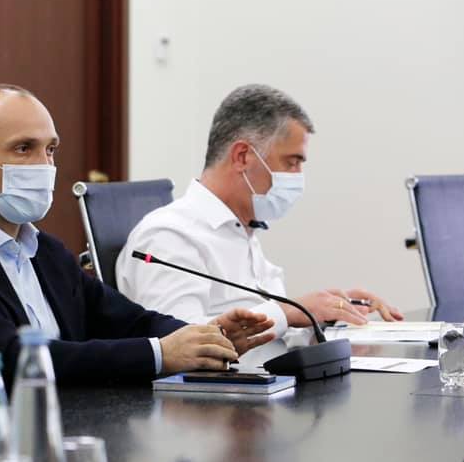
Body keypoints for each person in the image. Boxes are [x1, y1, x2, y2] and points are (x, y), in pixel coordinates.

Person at [0, 85, 276, 388]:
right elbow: (11, 358)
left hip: (77, 424)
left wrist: (206, 337)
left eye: (50, 150)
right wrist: (159, 353)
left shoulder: (47, 252)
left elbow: (129, 321)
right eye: (24, 148)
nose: (44, 165)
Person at [116, 84, 402, 338]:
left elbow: (273, 335)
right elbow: (181, 344)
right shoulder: (170, 236)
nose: (298, 176)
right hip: (222, 385)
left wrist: (324, 313)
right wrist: (288, 313)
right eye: (291, 162)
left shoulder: (242, 230)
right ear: (242, 156)